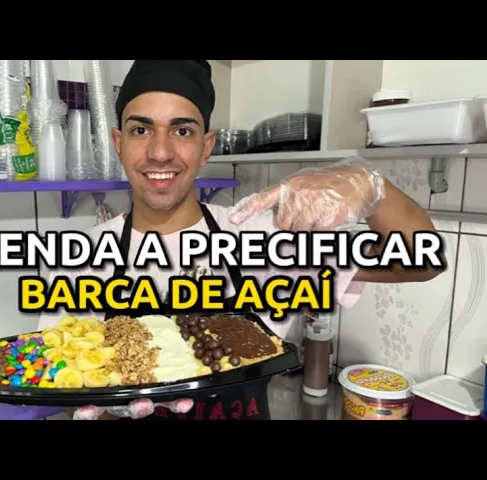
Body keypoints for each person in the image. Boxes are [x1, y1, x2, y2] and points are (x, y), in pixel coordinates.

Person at [38, 60, 445, 421]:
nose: (160, 152)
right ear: (118, 143)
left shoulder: (261, 235)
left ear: (206, 147)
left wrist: (371, 187)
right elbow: (65, 384)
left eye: (182, 130)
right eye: (141, 129)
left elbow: (423, 262)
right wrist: (104, 404)